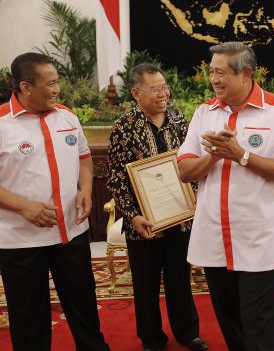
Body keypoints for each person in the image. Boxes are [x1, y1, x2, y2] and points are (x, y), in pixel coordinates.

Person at [177, 42, 274, 351]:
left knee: (262, 326)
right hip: (215, 236)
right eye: (211, 72)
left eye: (221, 73)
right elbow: (184, 171)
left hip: (259, 239)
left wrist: (241, 155)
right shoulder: (204, 113)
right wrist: (214, 156)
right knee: (230, 322)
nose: (214, 80)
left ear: (246, 73)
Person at [0, 52, 110, 351]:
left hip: (71, 233)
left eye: (57, 82)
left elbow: (84, 158)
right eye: (49, 83)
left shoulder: (66, 116)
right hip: (20, 241)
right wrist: (24, 206)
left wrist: (85, 189)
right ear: (25, 87)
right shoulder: (2, 124)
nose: (56, 89)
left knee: (84, 307)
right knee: (29, 317)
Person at [106, 63, 207, 351]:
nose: (163, 94)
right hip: (144, 222)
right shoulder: (124, 127)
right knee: (145, 284)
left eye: (164, 86)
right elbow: (116, 177)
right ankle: (151, 338)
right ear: (136, 93)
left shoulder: (178, 120)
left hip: (180, 216)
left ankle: (188, 333)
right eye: (155, 89)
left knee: (180, 280)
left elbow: (192, 162)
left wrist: (196, 197)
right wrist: (132, 215)